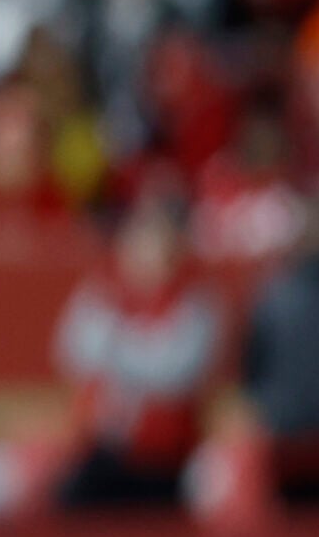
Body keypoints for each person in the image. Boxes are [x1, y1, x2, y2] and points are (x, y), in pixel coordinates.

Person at [52, 197, 221, 511]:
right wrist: (135, 353)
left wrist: (118, 353)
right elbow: (74, 354)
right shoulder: (99, 292)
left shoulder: (196, 303)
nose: (146, 260)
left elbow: (175, 373)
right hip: (103, 447)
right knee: (67, 500)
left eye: (157, 249)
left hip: (169, 454)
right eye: (138, 247)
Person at [241, 208, 319, 508]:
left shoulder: (273, 295)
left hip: (283, 427)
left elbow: (251, 367)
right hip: (286, 427)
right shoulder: (274, 296)